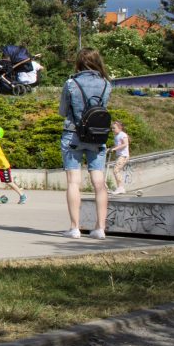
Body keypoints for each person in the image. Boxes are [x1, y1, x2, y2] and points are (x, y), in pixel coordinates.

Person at [59, 47, 112, 239]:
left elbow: (63, 111)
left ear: (79, 63)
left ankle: (75, 228)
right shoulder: (106, 84)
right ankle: (100, 228)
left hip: (73, 135)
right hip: (97, 136)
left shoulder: (71, 83)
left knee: (74, 181)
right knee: (99, 182)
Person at [109, 120, 131, 196]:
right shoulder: (116, 136)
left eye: (114, 128)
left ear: (119, 128)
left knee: (116, 170)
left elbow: (125, 144)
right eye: (112, 128)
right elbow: (117, 145)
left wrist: (115, 149)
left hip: (124, 156)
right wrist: (110, 149)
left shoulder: (122, 135)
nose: (112, 130)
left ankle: (120, 188)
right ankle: (120, 187)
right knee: (116, 171)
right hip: (120, 156)